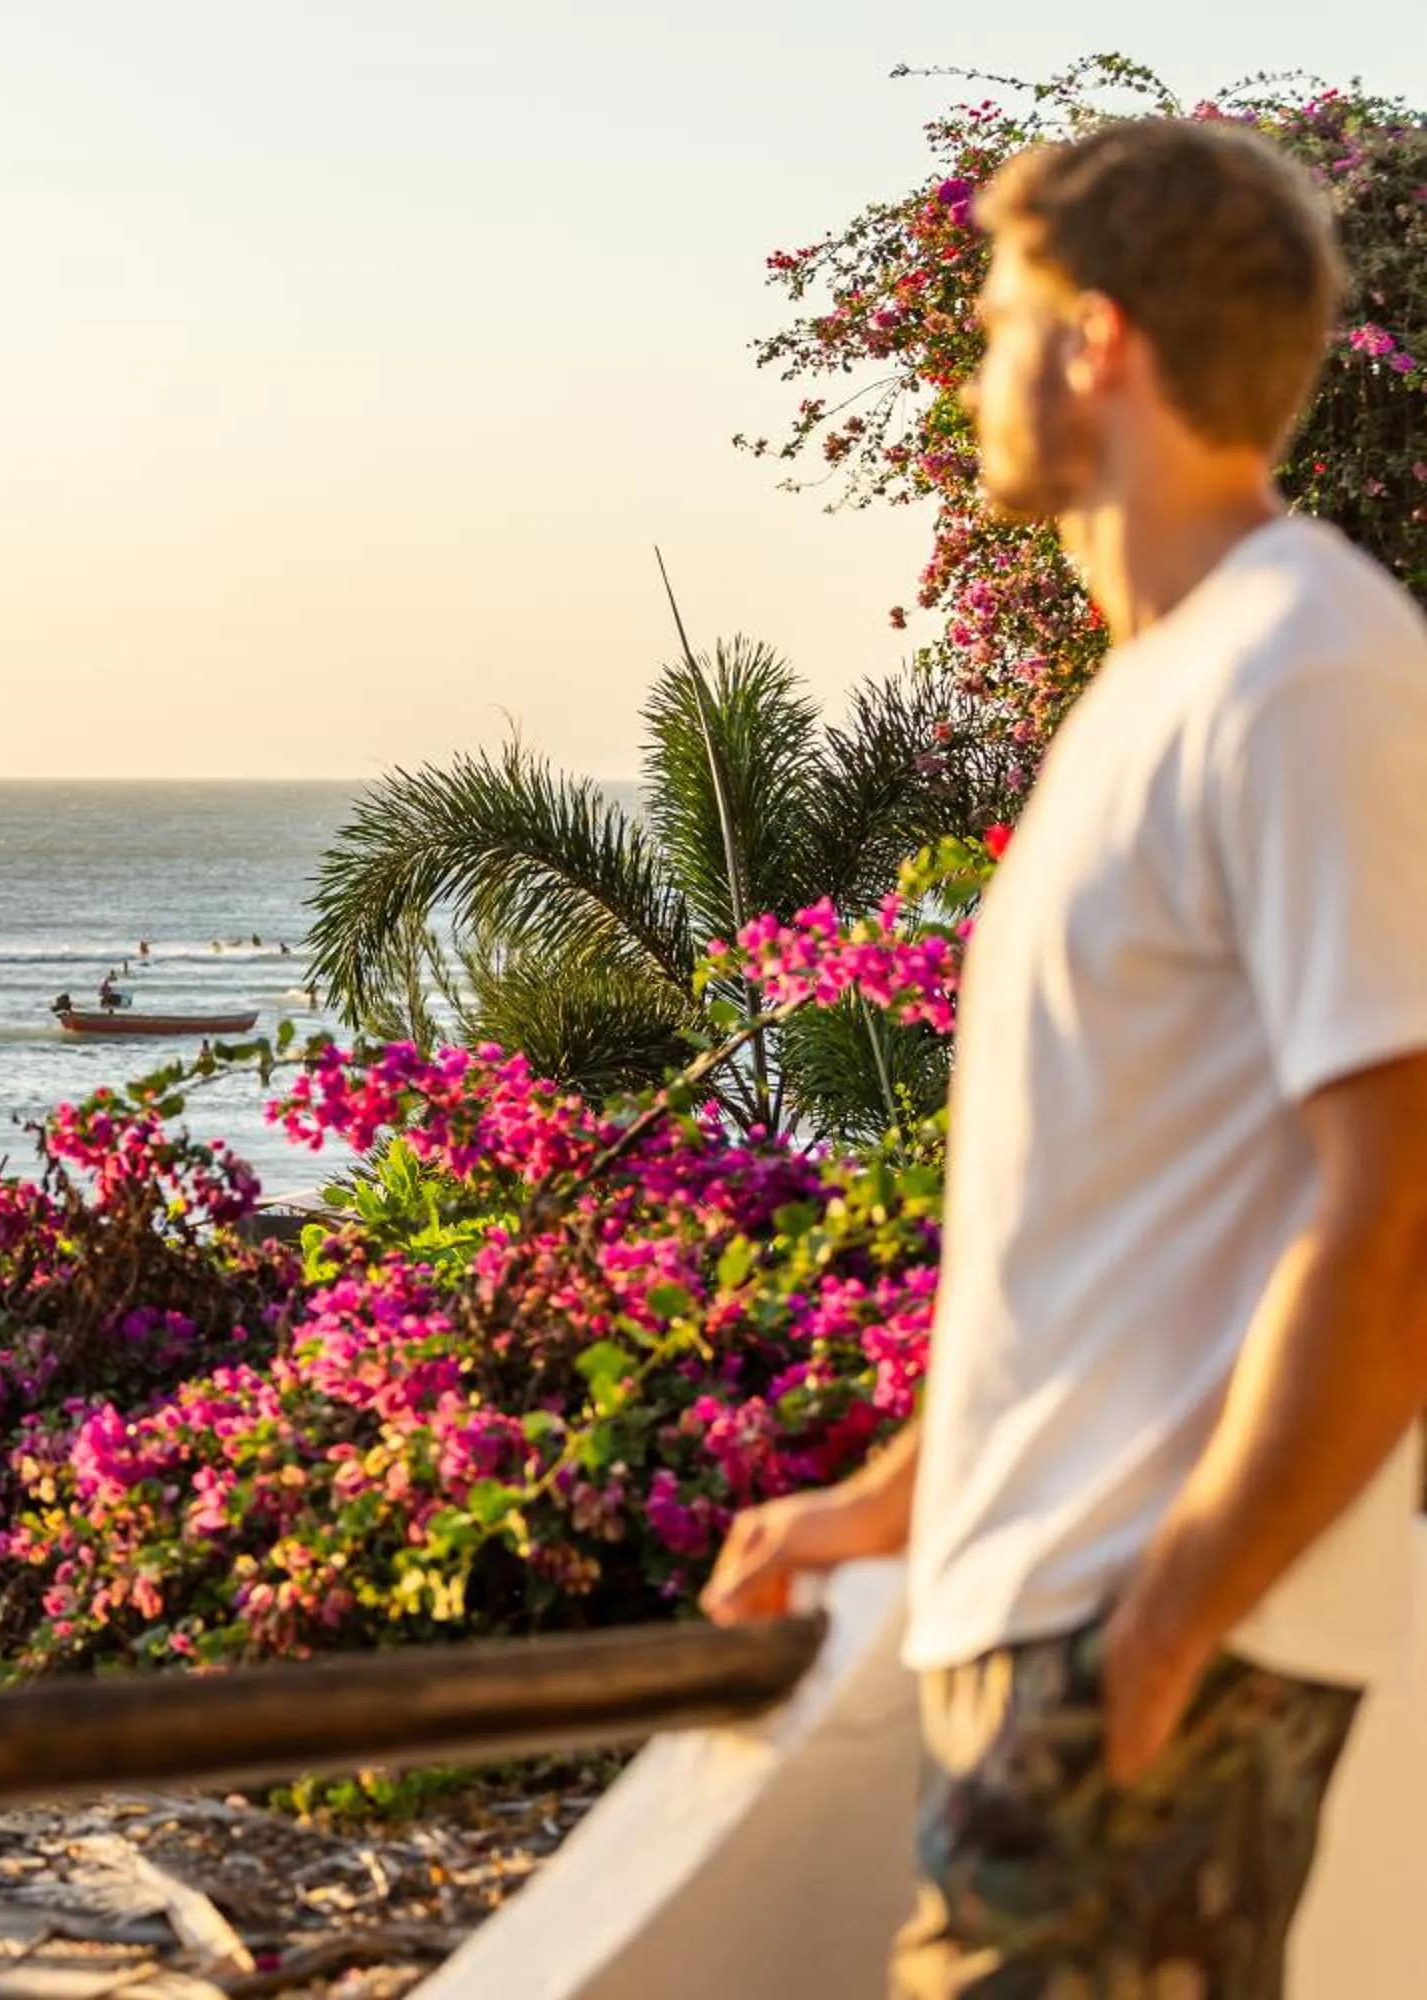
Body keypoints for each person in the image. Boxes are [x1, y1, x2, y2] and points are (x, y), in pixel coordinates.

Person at [702, 118, 1427, 1994]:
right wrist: (905, 1494)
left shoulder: (1306, 668)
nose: (968, 372)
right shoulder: (1158, 690)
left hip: (1145, 1635)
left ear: (1095, 342)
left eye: (997, 319)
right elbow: (1117, 1227)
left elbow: (1401, 1197)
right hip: (1058, 1616)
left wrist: (1174, 1615)